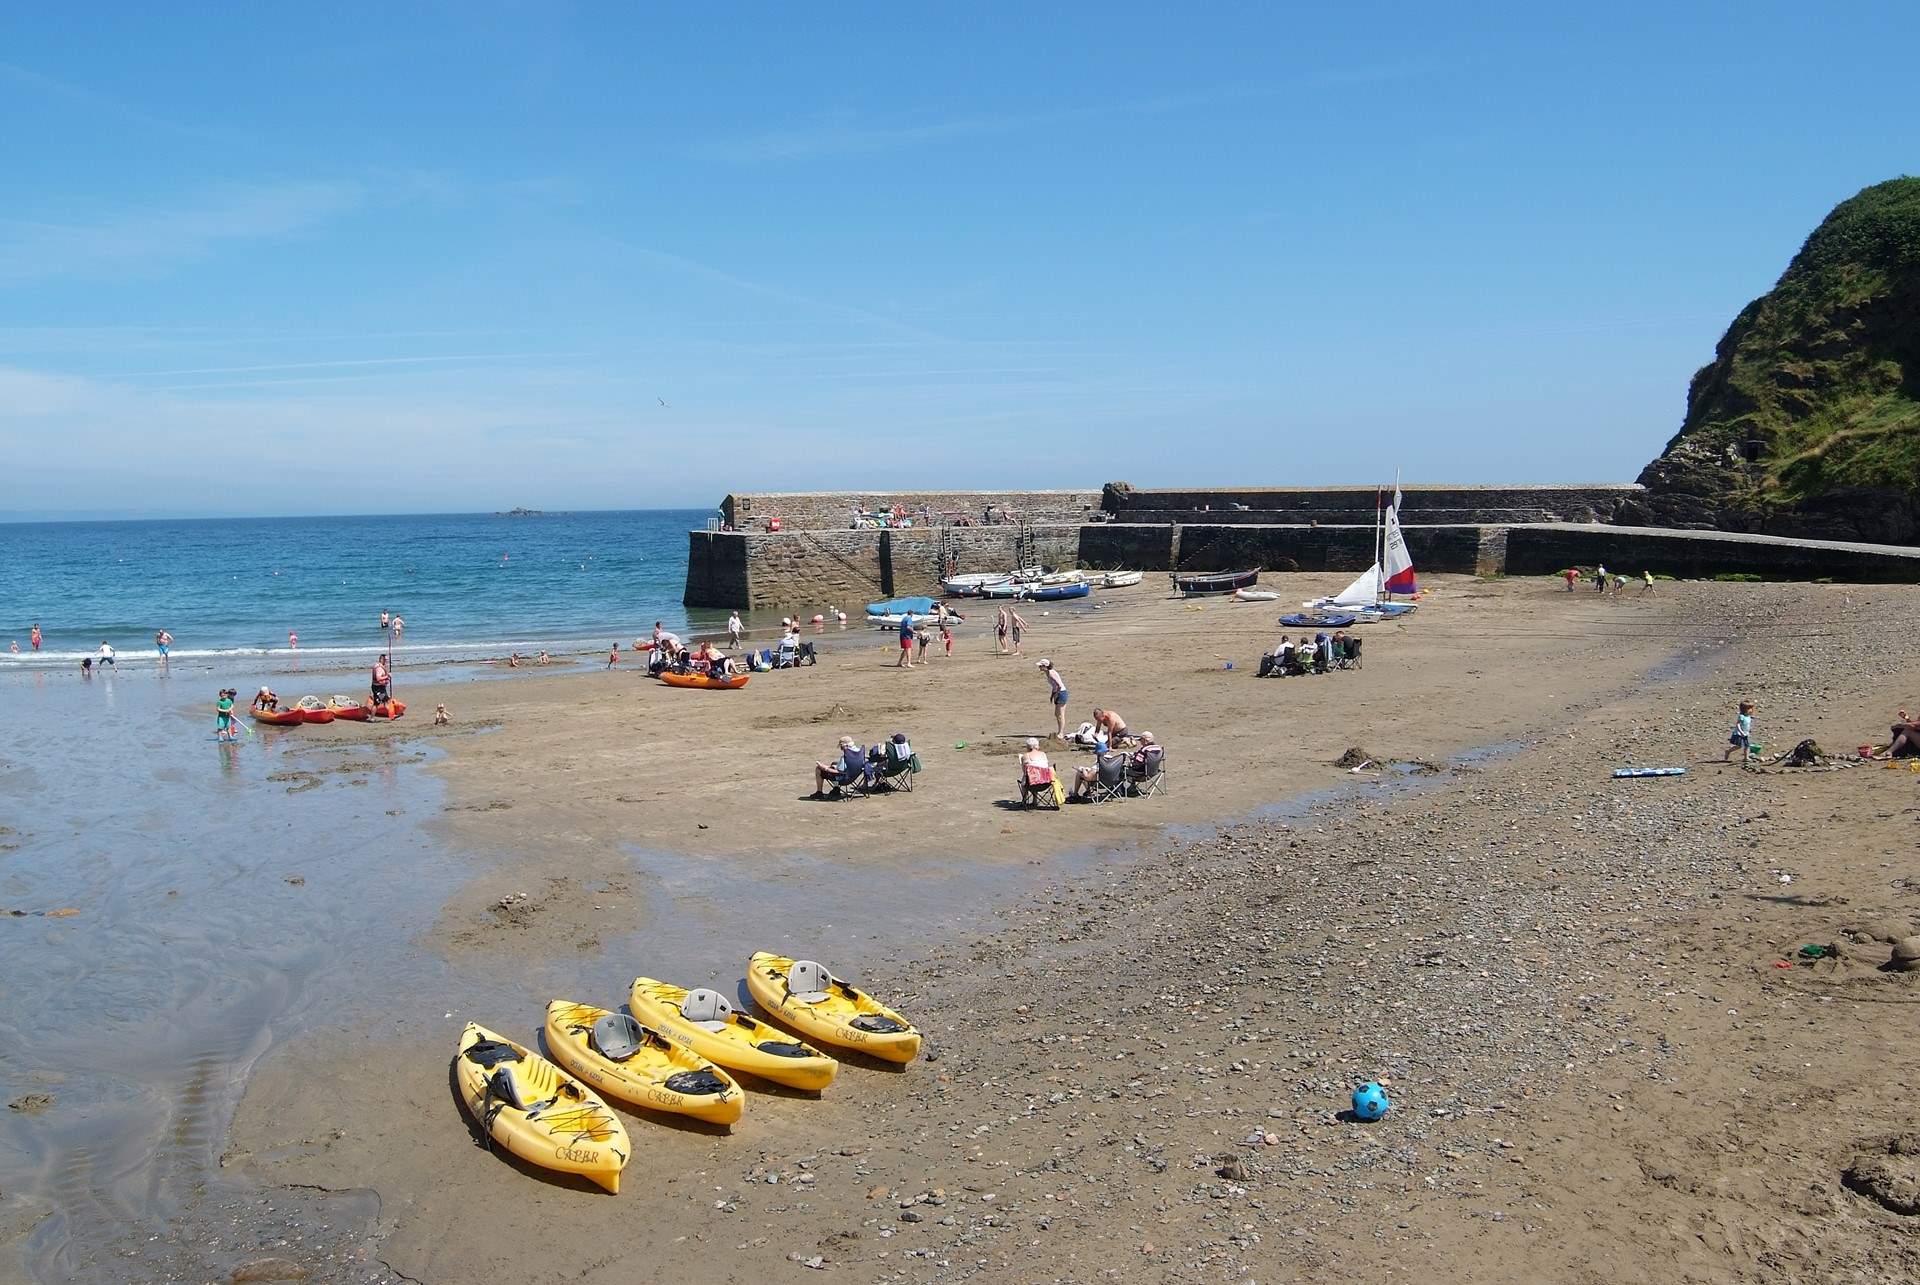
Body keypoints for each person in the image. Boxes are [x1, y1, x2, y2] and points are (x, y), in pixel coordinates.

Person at [1036, 658, 1069, 738]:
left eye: (1040, 666)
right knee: (1057, 714)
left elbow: (1059, 686)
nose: (1039, 667)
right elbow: (1054, 686)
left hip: (1061, 693)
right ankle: (1060, 731)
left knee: (1060, 714)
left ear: (1045, 666)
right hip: (1058, 693)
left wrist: (1056, 694)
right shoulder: (1048, 673)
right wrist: (1052, 695)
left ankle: (1061, 733)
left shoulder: (1051, 673)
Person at [1018, 737, 1055, 804]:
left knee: (1028, 776)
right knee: (1037, 774)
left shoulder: (1025, 756)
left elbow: (1024, 772)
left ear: (1028, 747)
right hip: (1046, 783)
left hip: (1031, 784)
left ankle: (1024, 800)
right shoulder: (1043, 754)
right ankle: (1035, 800)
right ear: (1037, 746)